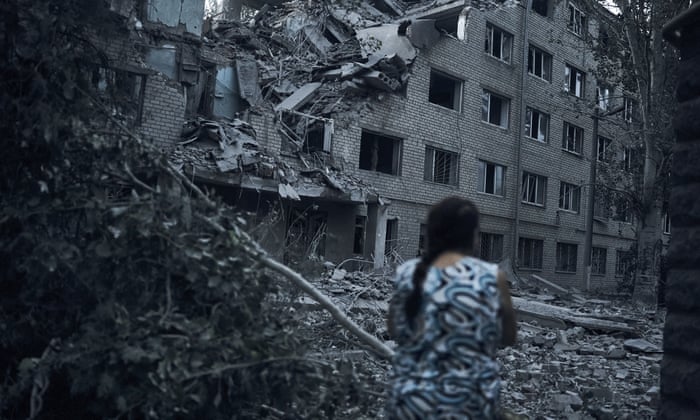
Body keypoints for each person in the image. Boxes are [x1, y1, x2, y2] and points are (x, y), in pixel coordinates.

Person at [386, 196, 517, 419]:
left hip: (410, 404)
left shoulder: (407, 273)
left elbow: (395, 331)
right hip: (470, 405)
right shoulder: (491, 277)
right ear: (474, 236)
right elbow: (508, 338)